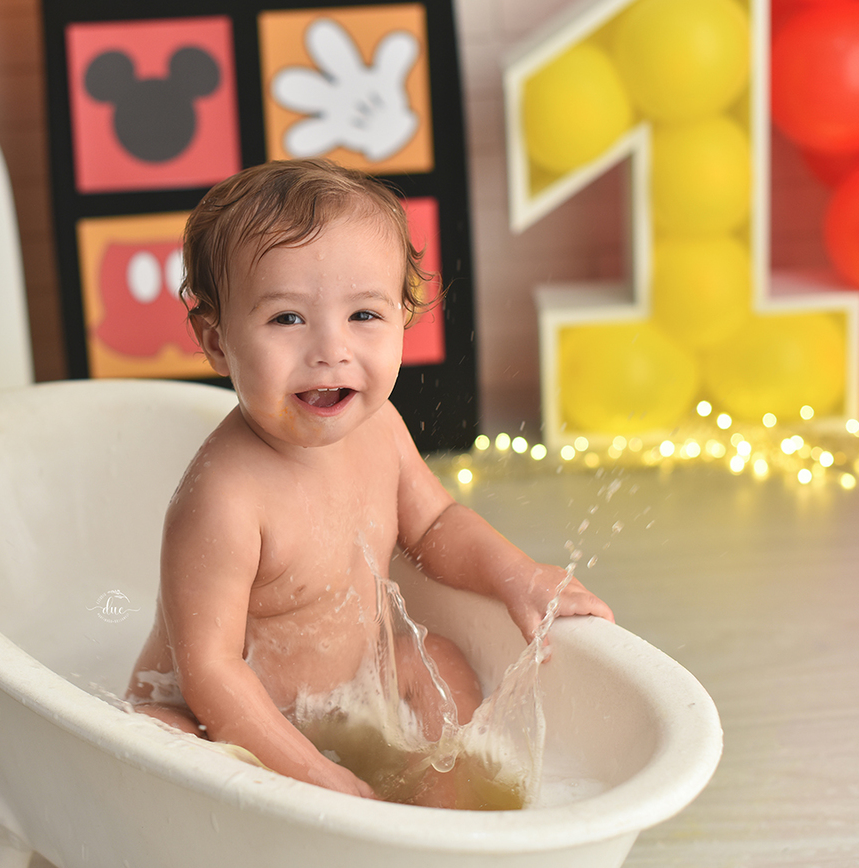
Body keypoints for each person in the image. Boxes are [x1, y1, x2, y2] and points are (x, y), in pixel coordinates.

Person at [127, 158, 613, 805]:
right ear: (217, 341)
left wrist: (515, 574)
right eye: (287, 319)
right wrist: (314, 775)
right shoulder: (224, 498)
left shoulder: (381, 428)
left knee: (435, 659)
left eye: (363, 315)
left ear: (403, 317)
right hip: (221, 716)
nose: (331, 350)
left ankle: (447, 799)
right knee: (157, 740)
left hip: (348, 688)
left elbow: (435, 525)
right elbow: (210, 673)